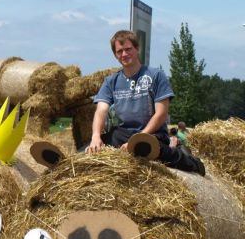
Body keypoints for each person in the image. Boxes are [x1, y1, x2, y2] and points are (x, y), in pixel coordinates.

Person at [85, 30, 205, 176]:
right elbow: (101, 111)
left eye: (128, 49)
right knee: (94, 149)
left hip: (152, 133)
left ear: (137, 49)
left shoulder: (156, 75)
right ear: (115, 55)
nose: (124, 54)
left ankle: (192, 163)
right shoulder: (111, 81)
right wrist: (96, 136)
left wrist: (138, 138)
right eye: (119, 51)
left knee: (143, 149)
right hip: (123, 133)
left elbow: (161, 114)